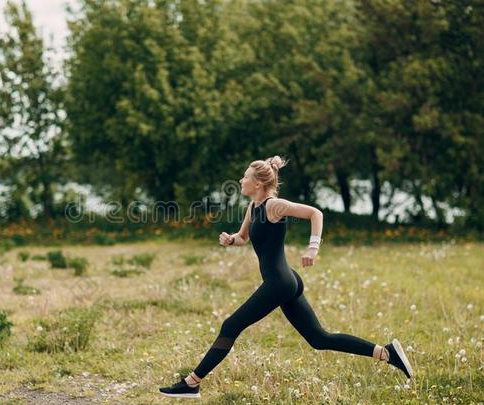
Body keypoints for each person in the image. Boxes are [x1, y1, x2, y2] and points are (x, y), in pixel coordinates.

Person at [159, 156, 413, 399]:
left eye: (245, 176)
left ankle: (191, 383)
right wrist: (230, 240)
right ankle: (386, 353)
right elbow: (243, 238)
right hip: (285, 281)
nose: (240, 180)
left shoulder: (273, 205)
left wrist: (313, 248)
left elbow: (316, 213)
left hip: (279, 283)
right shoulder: (253, 206)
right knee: (319, 339)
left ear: (258, 183)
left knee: (230, 326)